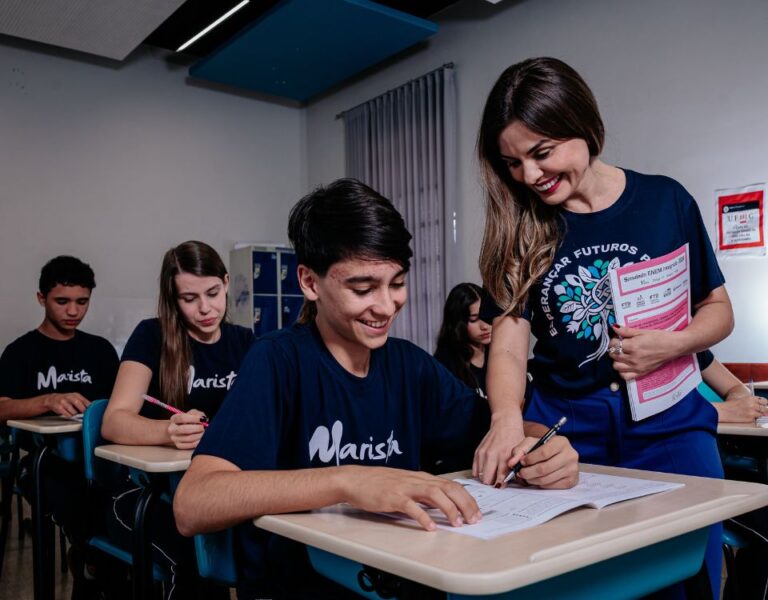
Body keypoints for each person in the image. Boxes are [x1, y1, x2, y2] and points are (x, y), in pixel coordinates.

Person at [172, 179, 579, 599]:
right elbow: (193, 503)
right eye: (363, 289)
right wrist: (348, 481)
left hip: (398, 579)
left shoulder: (409, 365)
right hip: (307, 584)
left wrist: (540, 448)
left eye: (397, 284)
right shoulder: (277, 361)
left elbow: (497, 433)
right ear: (310, 283)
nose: (385, 307)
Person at [472, 57, 734, 598]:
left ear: (584, 126)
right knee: (580, 581)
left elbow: (719, 311)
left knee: (689, 577)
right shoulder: (522, 224)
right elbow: (511, 340)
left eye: (541, 154)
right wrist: (504, 418)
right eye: (512, 163)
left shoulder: (665, 201)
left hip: (670, 425)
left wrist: (673, 343)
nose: (528, 176)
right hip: (567, 436)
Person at [101, 240, 254, 600]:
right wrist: (167, 431)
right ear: (173, 298)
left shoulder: (244, 341)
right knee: (190, 558)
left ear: (227, 282)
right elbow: (113, 420)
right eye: (189, 298)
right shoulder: (151, 335)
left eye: (213, 293)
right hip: (146, 494)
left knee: (268, 546)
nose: (205, 308)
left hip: (217, 488)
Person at [0, 255, 119, 592]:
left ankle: (100, 563)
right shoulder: (20, 352)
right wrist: (47, 400)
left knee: (124, 496)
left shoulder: (100, 350)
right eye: (62, 301)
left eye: (82, 302)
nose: (73, 311)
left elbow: (119, 406)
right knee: (76, 497)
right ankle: (93, 559)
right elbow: (1, 407)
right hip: (45, 462)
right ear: (42, 299)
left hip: (100, 458)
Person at [426, 282, 492, 473]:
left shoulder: (500, 358)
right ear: (458, 322)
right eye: (474, 319)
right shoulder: (443, 365)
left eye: (487, 317)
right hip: (459, 465)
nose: (484, 325)